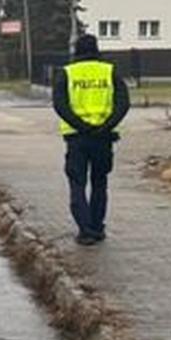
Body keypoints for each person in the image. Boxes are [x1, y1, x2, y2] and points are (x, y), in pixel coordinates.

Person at [52, 34, 131, 246]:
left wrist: (82, 126)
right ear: (97, 49)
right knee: (99, 183)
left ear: (76, 50)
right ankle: (97, 227)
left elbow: (60, 105)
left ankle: (85, 231)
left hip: (77, 139)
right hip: (103, 138)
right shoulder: (110, 71)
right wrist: (105, 126)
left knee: (77, 184)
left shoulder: (66, 74)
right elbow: (123, 103)